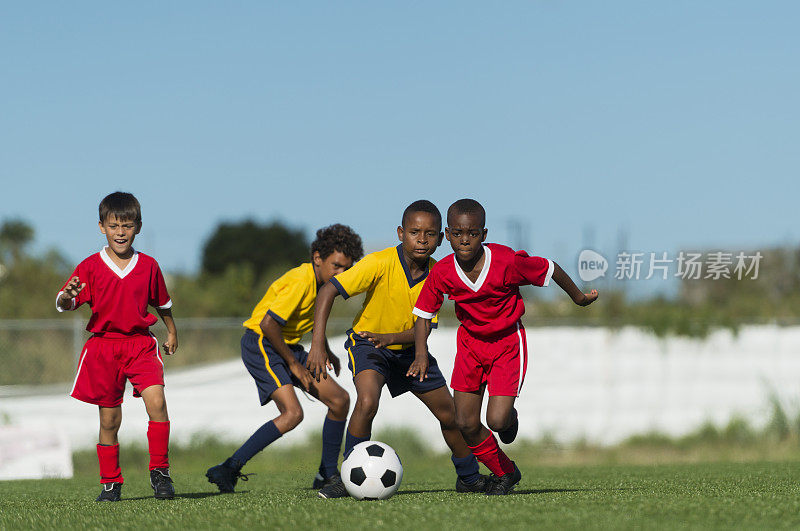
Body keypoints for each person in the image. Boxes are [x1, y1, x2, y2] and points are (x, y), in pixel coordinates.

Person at [412, 198, 598, 495]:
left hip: (507, 343)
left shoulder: (506, 262)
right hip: (470, 347)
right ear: (447, 235)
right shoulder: (443, 271)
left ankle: (509, 417)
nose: (464, 240)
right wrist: (421, 354)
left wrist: (577, 297)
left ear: (484, 235)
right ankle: (506, 472)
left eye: (472, 233)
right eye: (458, 233)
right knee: (466, 423)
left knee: (496, 420)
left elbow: (550, 268)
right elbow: (423, 313)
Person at [307, 200, 490, 498]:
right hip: (368, 344)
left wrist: (391, 338)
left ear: (441, 239)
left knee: (451, 415)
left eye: (430, 234)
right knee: (367, 401)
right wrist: (317, 343)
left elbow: (426, 326)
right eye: (414, 232)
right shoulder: (379, 263)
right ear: (400, 233)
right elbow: (328, 290)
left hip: (411, 352)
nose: (422, 239)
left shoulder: (441, 274)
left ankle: (469, 477)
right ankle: (347, 476)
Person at [206, 224, 363, 493]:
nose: (341, 273)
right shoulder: (301, 280)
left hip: (287, 346)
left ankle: (326, 474)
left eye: (346, 268)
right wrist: (293, 364)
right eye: (336, 265)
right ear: (317, 258)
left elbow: (313, 318)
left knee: (339, 401)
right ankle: (228, 468)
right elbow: (268, 324)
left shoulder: (324, 285)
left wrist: (324, 348)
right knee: (292, 414)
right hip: (262, 344)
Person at [56, 191, 178, 502]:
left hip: (139, 345)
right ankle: (111, 482)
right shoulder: (90, 266)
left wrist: (172, 332)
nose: (120, 232)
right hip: (104, 348)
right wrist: (68, 296)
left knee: (158, 403)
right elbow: (66, 301)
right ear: (101, 227)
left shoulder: (148, 265)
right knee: (109, 420)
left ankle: (160, 472)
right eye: (113, 226)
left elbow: (162, 303)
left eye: (126, 225)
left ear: (138, 226)